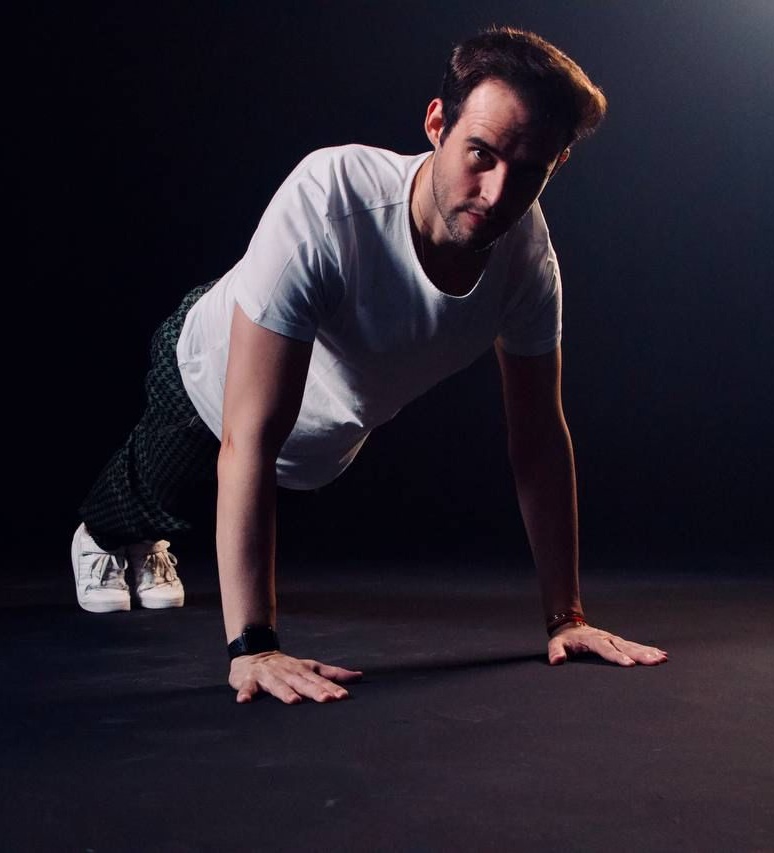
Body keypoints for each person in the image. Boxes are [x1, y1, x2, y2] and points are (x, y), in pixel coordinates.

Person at [71, 24, 669, 704]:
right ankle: (103, 535)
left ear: (556, 164)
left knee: (219, 495)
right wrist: (253, 646)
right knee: (153, 490)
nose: (497, 192)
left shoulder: (527, 262)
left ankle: (147, 538)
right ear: (437, 124)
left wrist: (567, 616)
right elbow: (247, 437)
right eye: (481, 153)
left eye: (529, 170)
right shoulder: (330, 198)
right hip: (209, 377)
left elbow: (537, 439)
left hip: (318, 434)